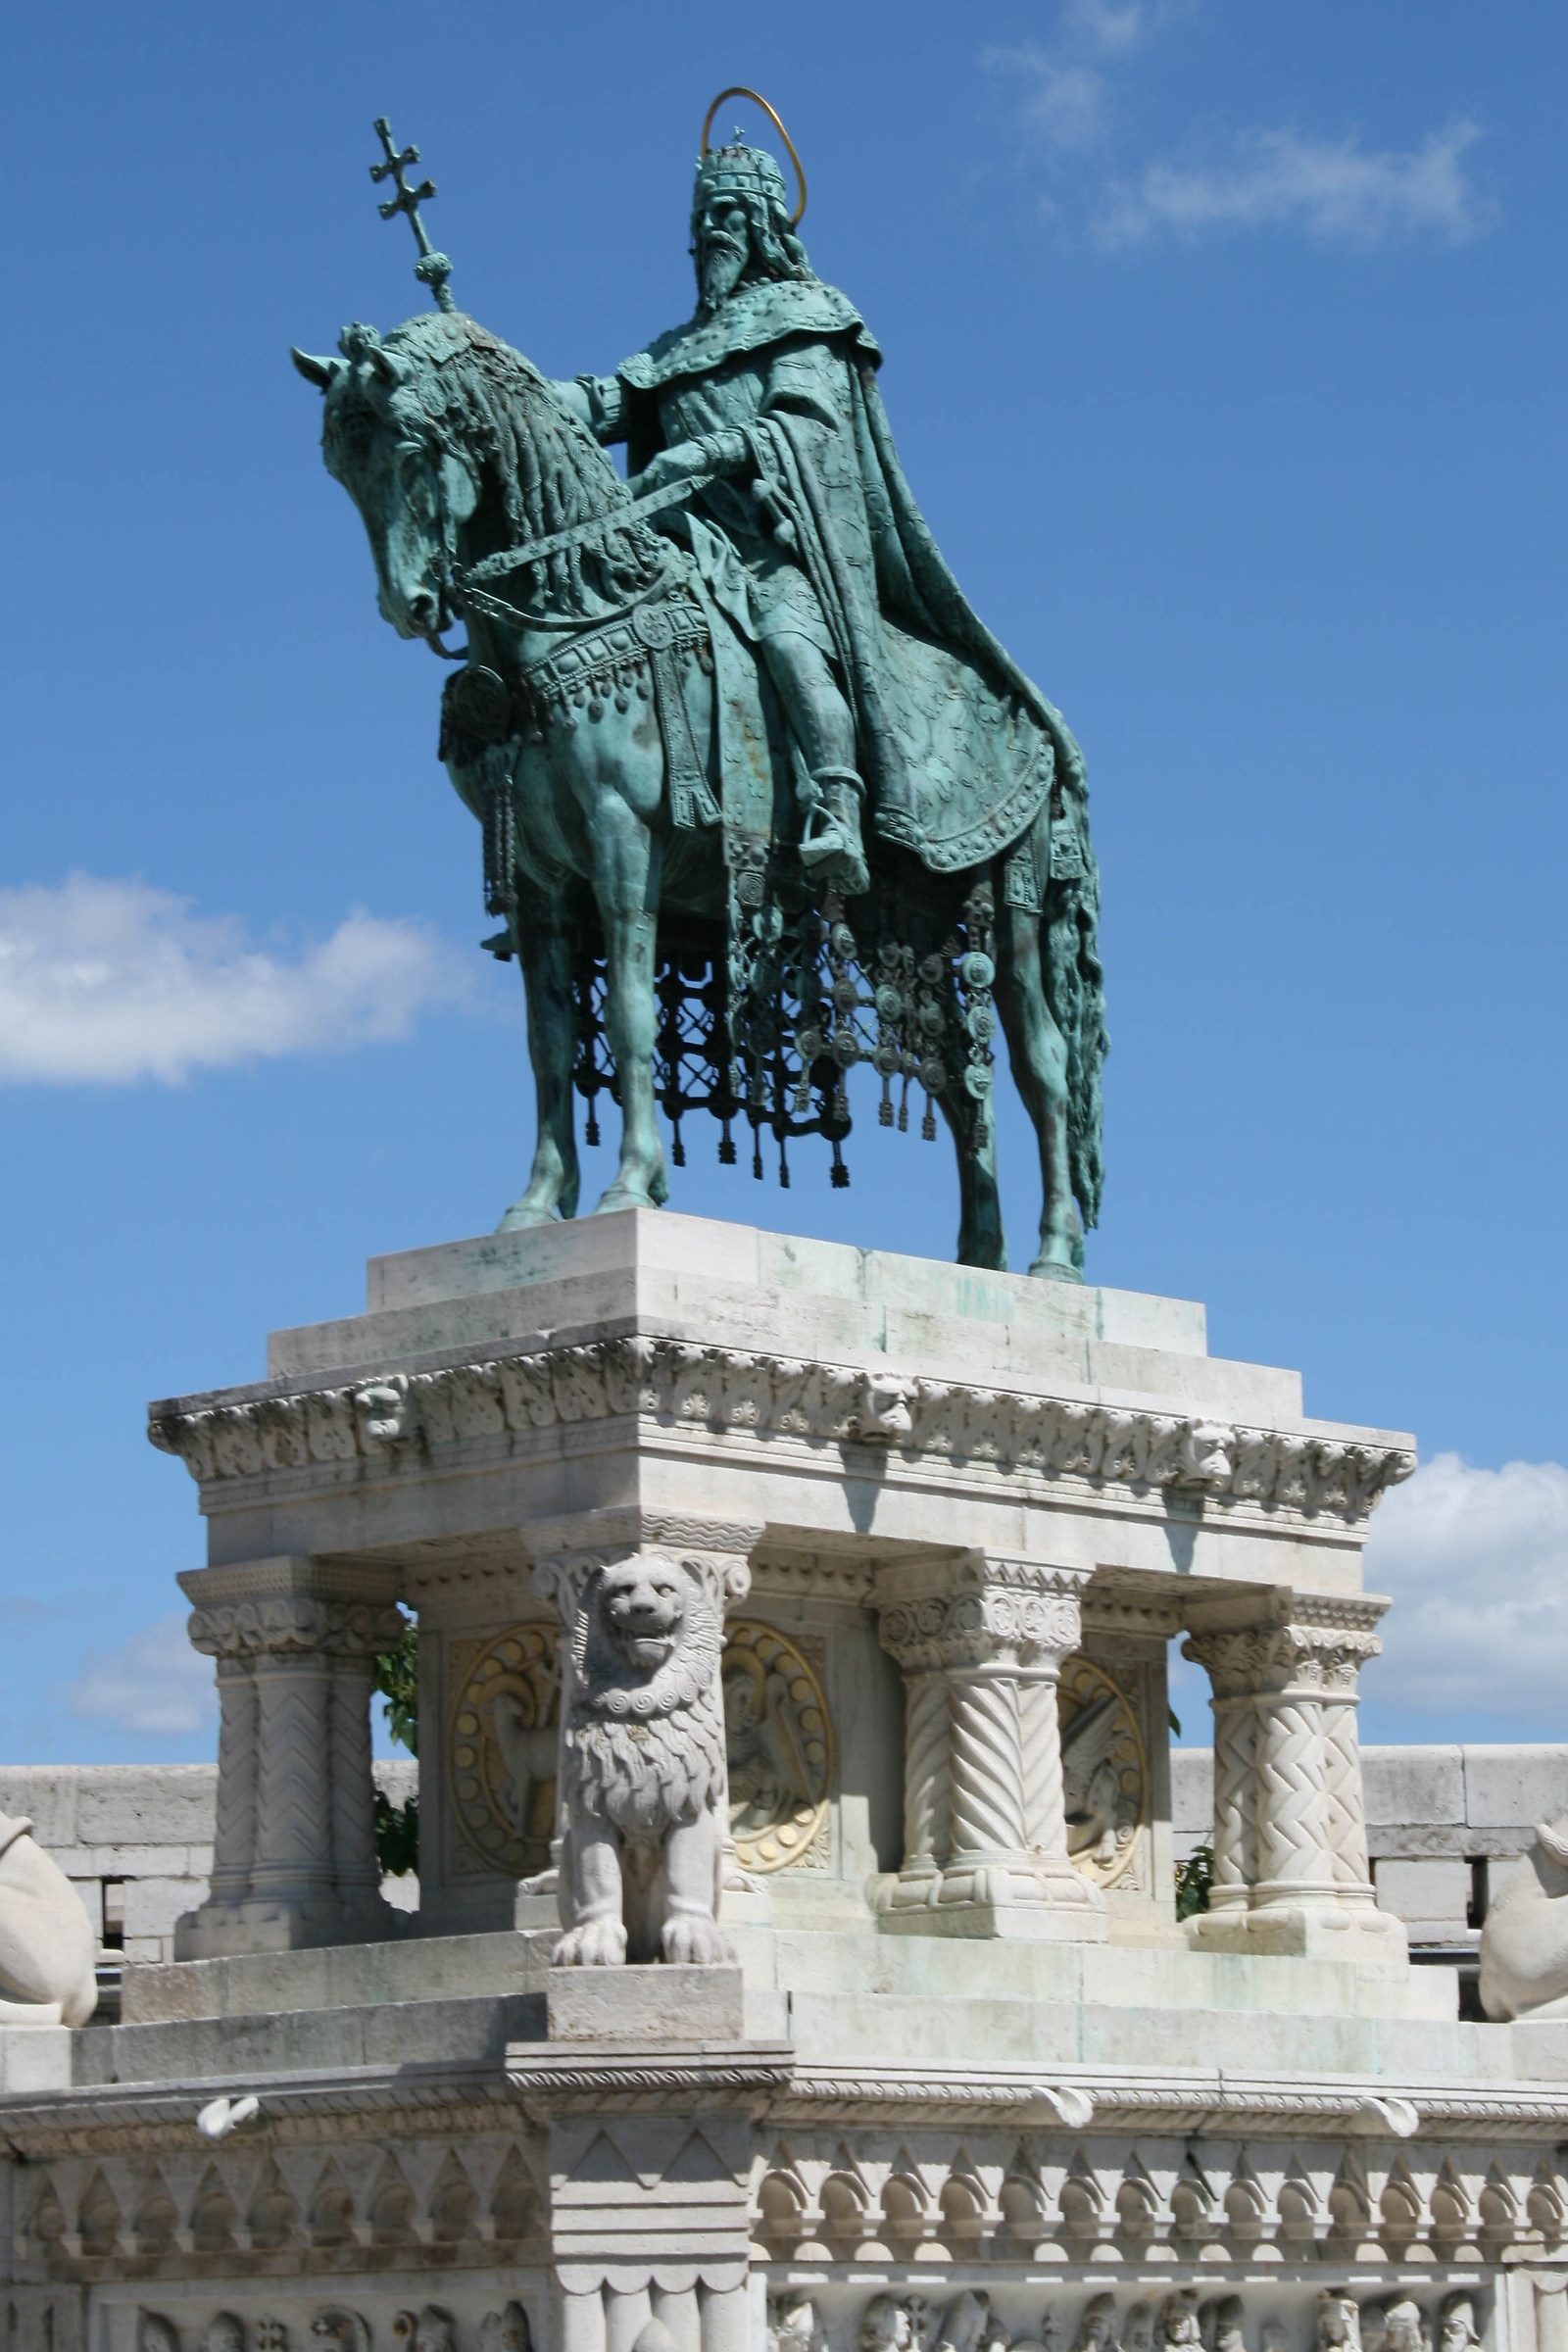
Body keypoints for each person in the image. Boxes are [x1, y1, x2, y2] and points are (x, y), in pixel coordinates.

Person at [551, 128, 1091, 912]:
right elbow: (600, 403)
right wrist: (501, 386)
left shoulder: (806, 314)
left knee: (787, 639)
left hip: (773, 550)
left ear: (769, 223)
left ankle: (836, 802)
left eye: (731, 213)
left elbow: (806, 426)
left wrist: (703, 456)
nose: (713, 231)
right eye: (704, 217)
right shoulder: (672, 349)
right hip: (679, 548)